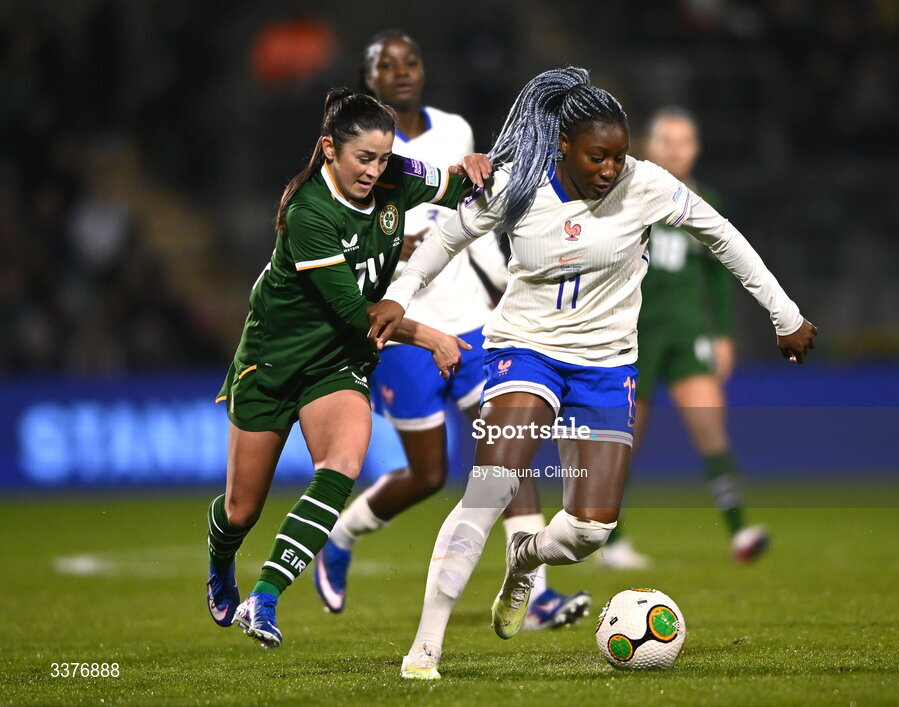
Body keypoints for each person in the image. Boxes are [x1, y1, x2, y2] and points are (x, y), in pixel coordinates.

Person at [368, 66, 818, 679]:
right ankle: (425, 649)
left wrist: (783, 313)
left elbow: (722, 235)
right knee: (492, 485)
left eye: (620, 156)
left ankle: (525, 559)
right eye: (597, 156)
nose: (611, 169)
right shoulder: (517, 184)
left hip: (606, 366)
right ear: (563, 147)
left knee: (589, 532)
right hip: (524, 352)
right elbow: (446, 237)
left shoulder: (644, 184)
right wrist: (401, 294)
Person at [314, 30, 591, 632]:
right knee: (429, 474)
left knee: (507, 453)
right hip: (404, 327)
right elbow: (339, 231)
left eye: (412, 60)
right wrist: (391, 246)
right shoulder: (360, 151)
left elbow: (478, 223)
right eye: (387, 64)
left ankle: (534, 591)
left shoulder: (457, 131)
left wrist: (502, 276)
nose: (403, 71)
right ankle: (341, 534)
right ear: (370, 80)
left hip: (471, 320)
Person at [204, 87, 493, 649]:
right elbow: (353, 312)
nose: (376, 171)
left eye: (384, 158)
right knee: (242, 510)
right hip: (272, 363)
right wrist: (432, 336)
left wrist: (476, 168)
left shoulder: (394, 176)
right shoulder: (309, 212)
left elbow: (456, 184)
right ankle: (221, 560)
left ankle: (264, 597)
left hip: (337, 363)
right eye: (364, 158)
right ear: (329, 149)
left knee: (344, 462)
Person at [603, 107, 769, 567]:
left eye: (685, 141)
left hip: (687, 330)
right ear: (649, 146)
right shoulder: (625, 192)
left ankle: (740, 530)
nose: (676, 149)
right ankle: (611, 540)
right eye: (667, 140)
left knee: (710, 427)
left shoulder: (705, 199)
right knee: (625, 439)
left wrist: (724, 335)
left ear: (695, 149)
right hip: (634, 331)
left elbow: (718, 275)